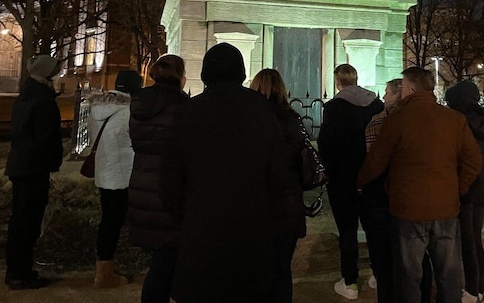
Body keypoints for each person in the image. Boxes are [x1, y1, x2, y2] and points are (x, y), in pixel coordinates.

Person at [160, 43, 285, 303]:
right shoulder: (262, 110)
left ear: (206, 74)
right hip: (251, 229)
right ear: (241, 73)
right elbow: (278, 175)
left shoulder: (188, 112)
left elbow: (170, 178)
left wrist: (184, 218)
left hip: (201, 231)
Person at [358, 67, 483, 303]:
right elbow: (474, 160)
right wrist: (458, 187)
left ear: (411, 89)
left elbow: (376, 160)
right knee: (448, 275)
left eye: (403, 87)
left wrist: (360, 182)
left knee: (409, 276)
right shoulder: (453, 119)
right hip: (445, 207)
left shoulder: (397, 120)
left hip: (408, 209)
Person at [318, 63, 385, 300]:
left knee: (347, 232)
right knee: (374, 230)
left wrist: (331, 172)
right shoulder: (376, 104)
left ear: (338, 81)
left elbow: (326, 145)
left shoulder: (334, 107)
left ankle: (350, 282)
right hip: (372, 177)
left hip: (343, 180)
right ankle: (378, 275)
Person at [128, 55, 189, 303]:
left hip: (142, 184)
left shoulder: (139, 103)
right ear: (180, 76)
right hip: (169, 189)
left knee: (161, 258)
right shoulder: (182, 107)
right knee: (168, 260)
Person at [4, 55, 63, 290]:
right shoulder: (43, 100)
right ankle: (20, 273)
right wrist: (52, 160)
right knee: (28, 221)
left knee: (20, 220)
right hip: (34, 167)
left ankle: (17, 269)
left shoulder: (26, 96)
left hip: (22, 165)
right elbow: (45, 137)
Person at [250, 68, 307, 303]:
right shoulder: (293, 118)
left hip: (257, 206)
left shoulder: (249, 119)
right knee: (282, 270)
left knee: (255, 270)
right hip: (288, 205)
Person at [87, 69, 142, 288]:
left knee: (108, 221)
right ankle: (105, 275)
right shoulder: (128, 112)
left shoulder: (96, 109)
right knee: (115, 222)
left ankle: (103, 268)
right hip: (123, 175)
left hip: (104, 172)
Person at [444, 80, 484, 303]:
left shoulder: (459, 123)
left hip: (465, 189)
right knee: (474, 240)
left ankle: (472, 290)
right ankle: (479, 288)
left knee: (467, 241)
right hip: (482, 188)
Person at [359, 78, 402, 303]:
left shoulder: (378, 122)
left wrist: (361, 182)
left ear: (398, 94)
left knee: (382, 251)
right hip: (408, 193)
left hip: (380, 194)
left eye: (387, 92)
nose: (384, 96)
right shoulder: (420, 120)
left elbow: (373, 160)